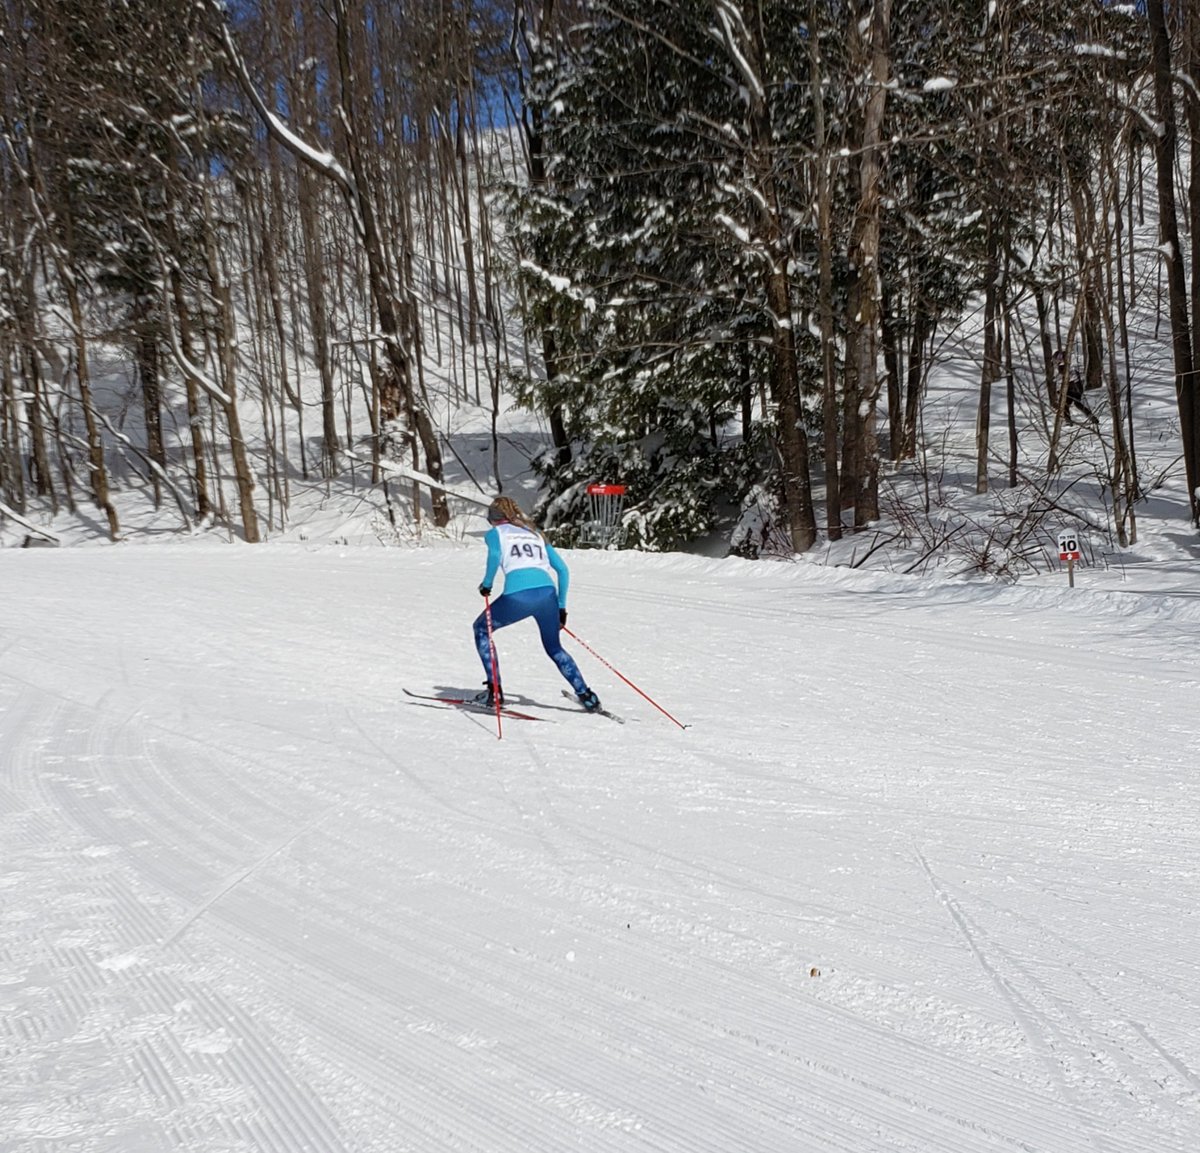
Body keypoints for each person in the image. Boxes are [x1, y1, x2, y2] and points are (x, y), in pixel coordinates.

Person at [472, 495, 601, 712]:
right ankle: (587, 696)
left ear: (494, 518)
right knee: (554, 648)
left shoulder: (496, 533)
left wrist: (487, 584)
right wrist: (561, 607)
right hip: (548, 596)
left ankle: (495, 692)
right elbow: (563, 570)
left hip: (518, 596)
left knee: (481, 629)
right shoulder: (535, 534)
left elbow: (494, 556)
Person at [1053, 349, 1097, 426]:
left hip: (1074, 386)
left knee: (1072, 404)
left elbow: (1072, 376)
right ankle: (1070, 420)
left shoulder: (1067, 365)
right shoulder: (1063, 366)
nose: (1056, 361)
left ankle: (1070, 420)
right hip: (1073, 386)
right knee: (1069, 404)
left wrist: (1063, 387)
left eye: (1056, 359)